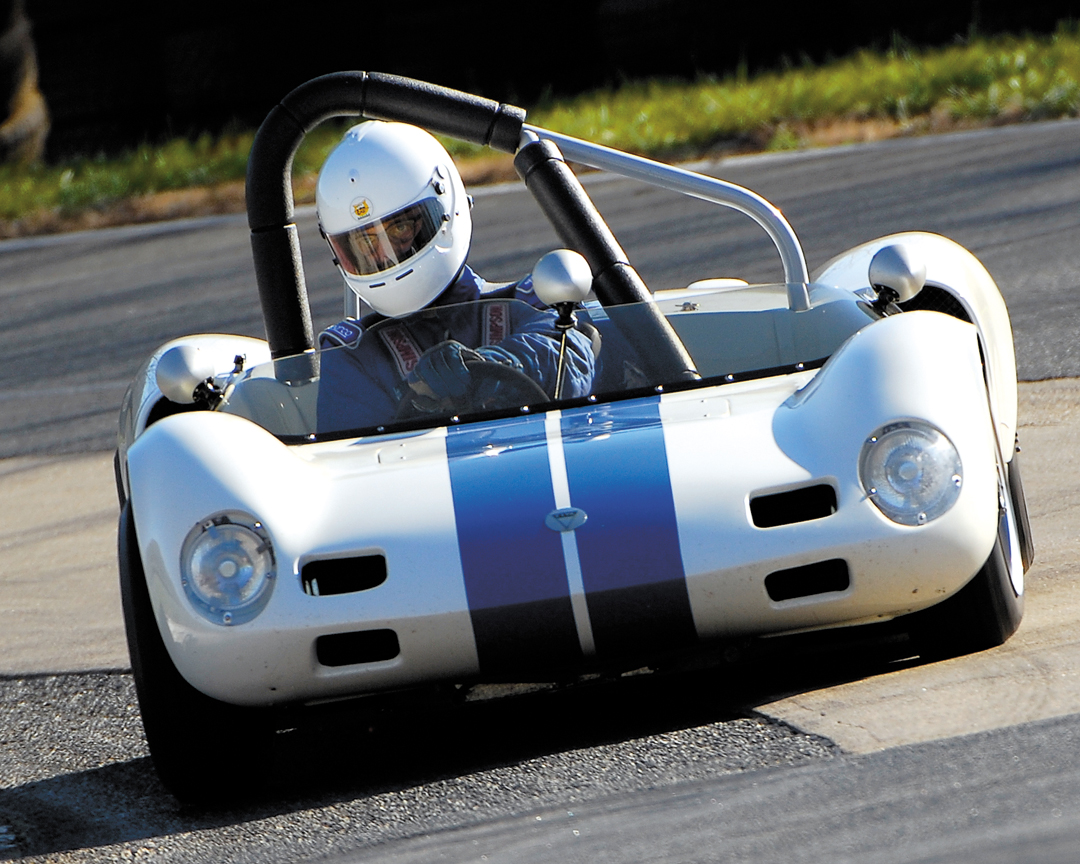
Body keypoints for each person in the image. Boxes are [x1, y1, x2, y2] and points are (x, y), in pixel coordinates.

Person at [314, 120, 596, 432]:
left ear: (445, 206)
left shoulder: (533, 302)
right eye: (365, 243)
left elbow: (571, 357)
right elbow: (356, 460)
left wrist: (495, 362)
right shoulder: (354, 356)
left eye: (400, 229)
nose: (383, 254)